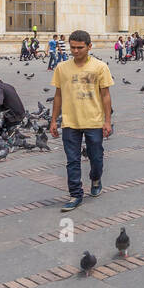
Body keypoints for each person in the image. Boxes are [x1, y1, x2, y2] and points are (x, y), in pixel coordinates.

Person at [50, 30, 114, 213]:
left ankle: (95, 178)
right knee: (72, 160)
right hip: (70, 122)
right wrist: (54, 120)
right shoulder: (62, 68)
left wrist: (107, 121)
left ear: (89, 47)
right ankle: (75, 194)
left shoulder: (100, 67)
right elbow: (58, 95)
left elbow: (106, 95)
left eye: (80, 47)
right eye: (72, 47)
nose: (75, 51)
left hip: (94, 120)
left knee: (96, 157)